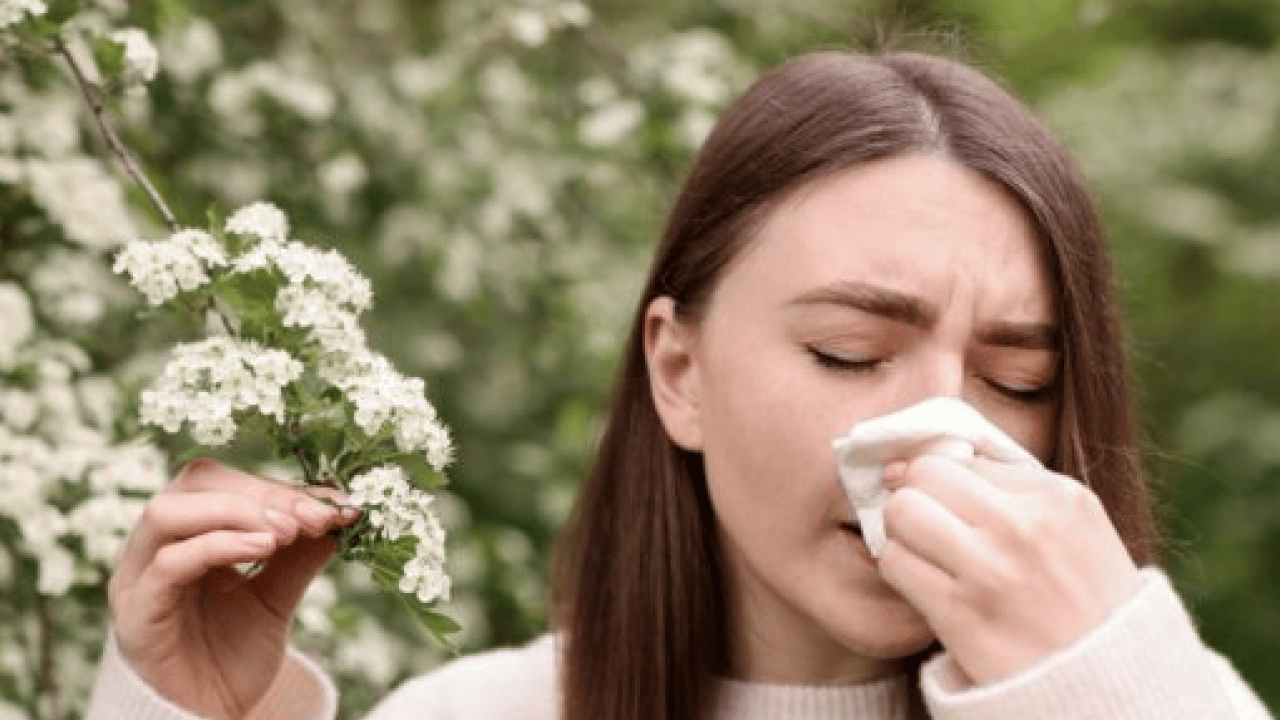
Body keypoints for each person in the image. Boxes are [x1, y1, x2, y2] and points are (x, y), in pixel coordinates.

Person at [86, 50, 1273, 720]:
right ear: (678, 370)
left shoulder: (1163, 697)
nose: (940, 434)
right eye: (847, 353)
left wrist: (1097, 685)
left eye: (1016, 378)